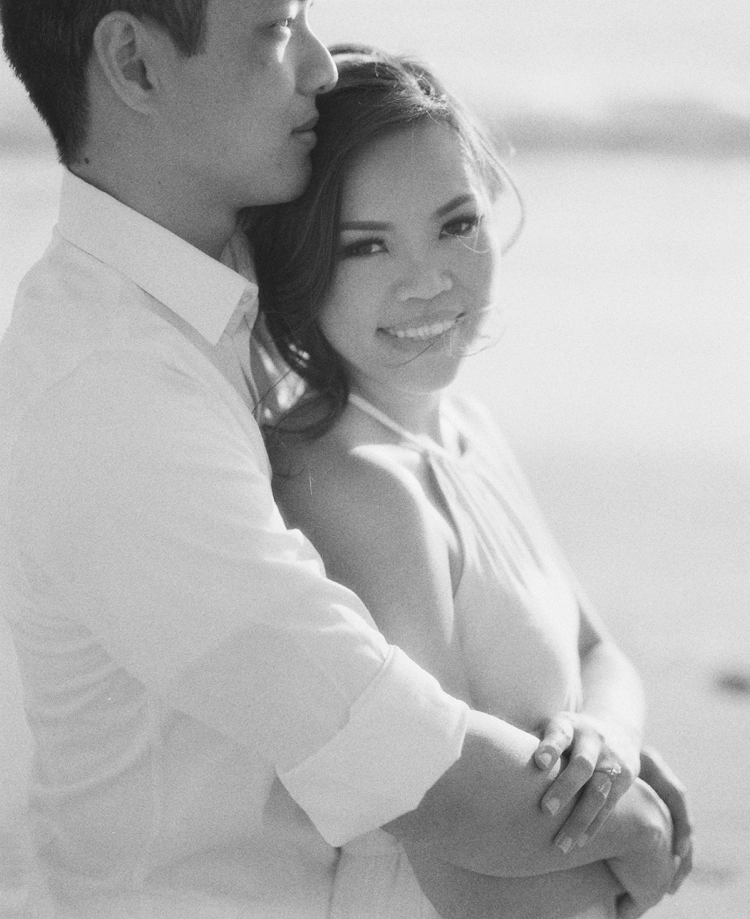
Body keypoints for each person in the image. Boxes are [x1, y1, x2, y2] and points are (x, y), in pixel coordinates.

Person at [0, 0, 691, 916]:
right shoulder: (112, 397)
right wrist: (638, 822)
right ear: (133, 63)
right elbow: (413, 764)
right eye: (280, 27)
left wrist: (609, 743)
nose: (321, 69)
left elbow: (576, 656)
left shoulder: (213, 303)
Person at [249, 45, 693, 918]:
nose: (429, 280)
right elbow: (453, 872)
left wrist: (608, 741)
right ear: (299, 269)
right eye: (366, 246)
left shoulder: (463, 426)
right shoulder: (357, 487)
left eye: (455, 224)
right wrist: (641, 840)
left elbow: (600, 656)